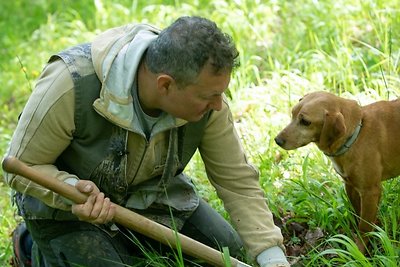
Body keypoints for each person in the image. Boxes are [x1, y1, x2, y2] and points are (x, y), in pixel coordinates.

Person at [3, 16, 290, 267]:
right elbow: (23, 164)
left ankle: (125, 245)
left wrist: (271, 256)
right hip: (71, 212)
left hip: (153, 197)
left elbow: (236, 179)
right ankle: (31, 247)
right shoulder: (71, 83)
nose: (218, 105)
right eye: (208, 97)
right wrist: (69, 192)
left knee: (230, 252)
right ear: (165, 84)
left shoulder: (207, 102)